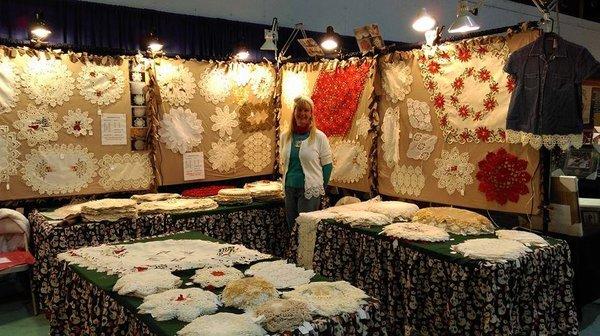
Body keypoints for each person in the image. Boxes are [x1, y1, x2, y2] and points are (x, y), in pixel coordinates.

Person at [280, 96, 333, 229]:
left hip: (309, 191)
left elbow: (327, 166)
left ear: (311, 114)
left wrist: (320, 188)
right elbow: (285, 163)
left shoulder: (319, 137)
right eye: (299, 109)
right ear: (294, 112)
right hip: (289, 188)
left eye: (306, 110)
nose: (302, 113)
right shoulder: (285, 137)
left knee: (306, 230)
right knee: (292, 228)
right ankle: (293, 251)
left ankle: (305, 251)